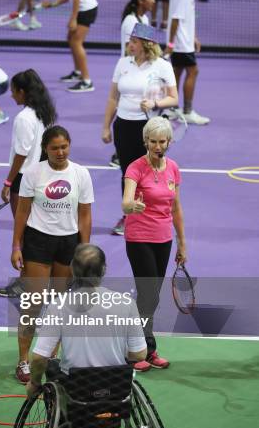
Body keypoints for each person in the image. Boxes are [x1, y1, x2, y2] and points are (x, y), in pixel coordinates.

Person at [11, 125, 94, 383]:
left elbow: (84, 215)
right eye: (54, 148)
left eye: (64, 146)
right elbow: (22, 212)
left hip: (68, 243)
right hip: (38, 241)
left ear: (69, 145)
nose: (60, 152)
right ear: (45, 149)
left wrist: (84, 249)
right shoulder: (33, 173)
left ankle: (50, 357)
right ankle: (24, 360)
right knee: (33, 303)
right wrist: (16, 246)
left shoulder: (81, 173)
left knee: (58, 306)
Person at [26, 243, 147, 397]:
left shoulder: (58, 305)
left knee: (53, 367)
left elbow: (39, 358)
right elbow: (139, 355)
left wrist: (35, 383)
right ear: (104, 269)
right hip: (117, 387)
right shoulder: (126, 303)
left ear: (72, 269)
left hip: (76, 389)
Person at [122, 116, 187, 371]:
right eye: (153, 142)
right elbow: (126, 201)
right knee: (148, 293)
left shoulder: (173, 168)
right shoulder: (135, 168)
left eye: (162, 142)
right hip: (139, 237)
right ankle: (141, 350)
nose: (158, 147)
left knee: (153, 297)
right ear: (145, 141)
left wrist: (182, 243)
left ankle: (139, 345)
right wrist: (131, 206)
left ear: (169, 141)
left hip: (164, 238)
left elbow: (176, 208)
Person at [102, 22, 178, 236]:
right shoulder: (123, 63)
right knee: (128, 173)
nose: (130, 45)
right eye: (130, 41)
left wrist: (155, 104)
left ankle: (152, 214)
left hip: (149, 129)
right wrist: (106, 126)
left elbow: (173, 97)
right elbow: (112, 97)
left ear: (146, 44)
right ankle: (129, 215)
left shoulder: (162, 66)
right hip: (123, 126)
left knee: (151, 172)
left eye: (134, 41)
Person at [0, 68, 57, 298]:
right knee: (37, 230)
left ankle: (26, 282)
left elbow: (21, 153)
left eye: (13, 91)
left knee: (25, 234)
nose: (12, 95)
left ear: (22, 91)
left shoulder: (23, 118)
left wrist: (7, 182)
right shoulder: (45, 113)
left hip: (24, 180)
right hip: (42, 176)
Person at [109, 0, 154, 173]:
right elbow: (131, 48)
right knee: (124, 112)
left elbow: (146, 46)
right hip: (127, 72)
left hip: (140, 68)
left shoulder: (144, 18)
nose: (153, 1)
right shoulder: (130, 21)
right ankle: (119, 155)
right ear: (140, 0)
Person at [42, 0, 98, 93]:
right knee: (71, 39)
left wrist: (73, 18)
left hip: (87, 9)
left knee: (76, 42)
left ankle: (87, 81)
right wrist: (53, 4)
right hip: (81, 9)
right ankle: (78, 72)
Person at [164, 0, 210, 125]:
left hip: (184, 40)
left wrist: (194, 37)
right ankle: (188, 111)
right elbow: (175, 19)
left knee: (177, 72)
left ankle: (171, 108)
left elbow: (186, 17)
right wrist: (170, 44)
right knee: (193, 71)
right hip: (181, 43)